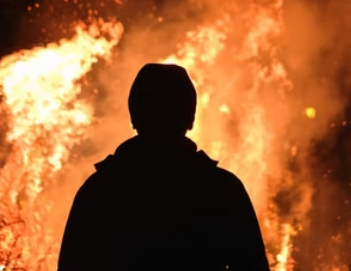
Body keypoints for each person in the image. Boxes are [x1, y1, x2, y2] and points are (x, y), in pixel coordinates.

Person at [58, 63, 271, 271]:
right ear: (190, 117)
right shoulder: (223, 189)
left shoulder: (100, 190)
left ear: (135, 116)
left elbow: (71, 265)